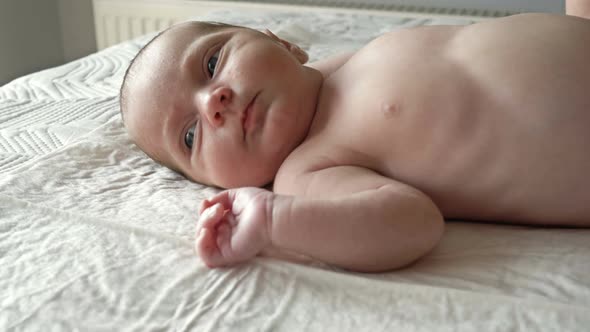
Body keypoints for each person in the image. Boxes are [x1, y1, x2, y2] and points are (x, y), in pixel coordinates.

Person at [120, 4, 590, 272]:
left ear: (283, 43)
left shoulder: (336, 71)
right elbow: (412, 223)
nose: (213, 103)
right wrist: (274, 220)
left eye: (211, 64)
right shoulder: (306, 171)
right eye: (189, 135)